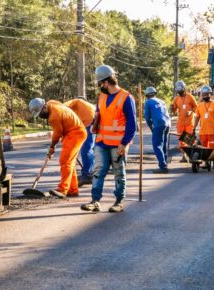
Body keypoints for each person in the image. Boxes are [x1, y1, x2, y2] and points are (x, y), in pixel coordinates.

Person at [81, 65, 137, 213]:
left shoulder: (126, 98)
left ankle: (118, 202)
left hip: (118, 144)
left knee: (119, 173)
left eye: (100, 83)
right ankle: (95, 201)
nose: (99, 86)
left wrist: (124, 143)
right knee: (98, 170)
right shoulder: (101, 97)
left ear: (106, 82)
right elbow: (98, 116)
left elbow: (132, 125)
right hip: (101, 142)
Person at [28, 98, 87, 197]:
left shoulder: (53, 117)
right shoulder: (51, 102)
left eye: (41, 113)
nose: (41, 117)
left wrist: (52, 147)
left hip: (75, 133)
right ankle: (72, 190)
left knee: (65, 161)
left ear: (44, 107)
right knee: (70, 162)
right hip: (73, 132)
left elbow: (57, 133)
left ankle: (63, 189)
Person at [63, 97, 96, 187]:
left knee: (86, 148)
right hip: (94, 121)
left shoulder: (67, 106)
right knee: (90, 148)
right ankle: (89, 172)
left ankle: (87, 175)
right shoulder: (83, 108)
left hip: (90, 121)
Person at [193, 85, 214, 170]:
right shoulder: (199, 106)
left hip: (213, 131)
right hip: (203, 132)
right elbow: (196, 118)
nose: (205, 96)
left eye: (207, 94)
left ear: (210, 94)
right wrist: (194, 128)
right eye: (203, 94)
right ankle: (206, 163)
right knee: (204, 148)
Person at [144, 86, 171, 173]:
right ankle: (164, 163)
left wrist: (151, 127)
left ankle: (163, 166)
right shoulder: (162, 101)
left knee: (157, 145)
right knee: (164, 144)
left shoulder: (148, 102)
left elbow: (147, 118)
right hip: (167, 123)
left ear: (147, 95)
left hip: (159, 124)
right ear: (155, 93)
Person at [172, 80, 198, 162]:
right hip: (180, 123)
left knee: (189, 141)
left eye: (181, 91)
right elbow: (174, 110)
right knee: (181, 141)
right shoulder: (176, 99)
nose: (179, 93)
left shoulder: (190, 97)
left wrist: (191, 111)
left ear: (184, 89)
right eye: (178, 91)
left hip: (189, 123)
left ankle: (191, 156)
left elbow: (196, 107)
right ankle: (183, 156)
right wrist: (172, 108)